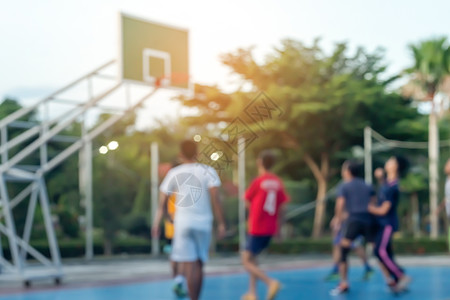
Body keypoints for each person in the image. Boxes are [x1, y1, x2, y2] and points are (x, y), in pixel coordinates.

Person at [152, 140, 226, 300]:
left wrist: (165, 219)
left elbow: (162, 201)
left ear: (180, 155)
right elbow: (216, 199)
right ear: (198, 153)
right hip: (203, 223)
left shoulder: (174, 173)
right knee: (199, 263)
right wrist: (221, 223)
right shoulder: (208, 171)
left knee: (188, 263)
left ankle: (185, 289)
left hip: (183, 223)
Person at [241, 150, 289, 300]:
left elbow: (247, 200)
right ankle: (252, 293)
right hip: (270, 227)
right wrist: (279, 229)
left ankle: (270, 282)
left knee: (246, 261)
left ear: (259, 162)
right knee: (253, 259)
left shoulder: (259, 181)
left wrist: (253, 212)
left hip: (257, 226)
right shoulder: (277, 182)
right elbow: (282, 207)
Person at [329, 160, 377, 296]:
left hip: (354, 222)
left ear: (348, 171)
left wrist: (338, 220)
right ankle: (392, 280)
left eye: (344, 169)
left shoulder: (345, 186)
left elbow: (340, 204)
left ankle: (344, 283)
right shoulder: (367, 186)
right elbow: (373, 202)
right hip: (368, 221)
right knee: (378, 251)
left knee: (343, 250)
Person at [368, 156, 411, 293]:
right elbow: (383, 191)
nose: (387, 162)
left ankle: (401, 276)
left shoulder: (394, 186)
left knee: (380, 251)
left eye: (391, 161)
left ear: (396, 167)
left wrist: (368, 207)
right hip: (381, 224)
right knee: (387, 253)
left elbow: (384, 209)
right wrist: (380, 178)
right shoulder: (388, 183)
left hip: (387, 224)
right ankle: (397, 281)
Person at [325, 211, 373, 281]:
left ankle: (368, 268)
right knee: (337, 245)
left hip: (353, 222)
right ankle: (336, 270)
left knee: (356, 247)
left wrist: (339, 218)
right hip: (343, 224)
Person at [437, 159, 450, 249]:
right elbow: (447, 197)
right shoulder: (447, 179)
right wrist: (440, 207)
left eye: (448, 164)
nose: (446, 166)